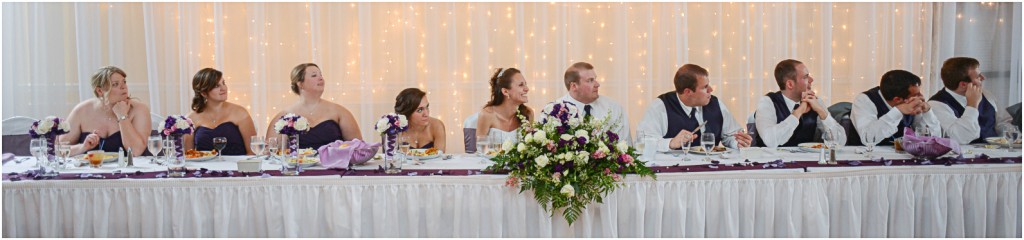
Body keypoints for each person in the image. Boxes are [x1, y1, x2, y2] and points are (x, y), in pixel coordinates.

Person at [637, 64, 753, 150]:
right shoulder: (660, 106)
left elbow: (730, 136)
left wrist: (738, 142)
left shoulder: (716, 104)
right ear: (688, 92)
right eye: (705, 87)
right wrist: (670, 143)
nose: (711, 90)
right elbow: (643, 142)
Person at [266, 63, 362, 149]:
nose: (320, 78)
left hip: (334, 167)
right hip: (298, 167)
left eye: (321, 75)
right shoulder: (284, 116)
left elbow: (358, 146)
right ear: (300, 84)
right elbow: (272, 151)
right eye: (314, 75)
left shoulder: (339, 111)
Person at [61, 66, 151, 156]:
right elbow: (59, 150)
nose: (123, 87)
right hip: (92, 168)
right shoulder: (82, 110)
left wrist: (122, 116)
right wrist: (83, 147)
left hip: (129, 169)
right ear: (100, 91)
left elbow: (136, 151)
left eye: (124, 82)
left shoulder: (139, 109)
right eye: (115, 84)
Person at [754, 59, 846, 147]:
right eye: (805, 77)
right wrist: (799, 111)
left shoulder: (815, 102)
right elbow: (771, 141)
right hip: (771, 160)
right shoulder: (767, 102)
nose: (811, 79)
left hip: (807, 161)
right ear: (790, 84)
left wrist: (822, 112)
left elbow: (840, 142)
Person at [928, 57, 1015, 144]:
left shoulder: (986, 94)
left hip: (998, 152)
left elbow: (1003, 123)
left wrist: (1012, 138)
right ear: (963, 84)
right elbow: (961, 138)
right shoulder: (936, 104)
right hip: (965, 155)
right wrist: (972, 105)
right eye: (978, 77)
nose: (983, 78)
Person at [851, 70, 941, 146]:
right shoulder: (865, 100)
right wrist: (898, 111)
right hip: (866, 158)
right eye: (916, 95)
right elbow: (869, 139)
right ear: (897, 99)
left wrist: (928, 113)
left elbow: (933, 141)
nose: (921, 97)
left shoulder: (916, 104)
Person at [183, 68, 257, 155]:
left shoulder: (240, 112)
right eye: (216, 86)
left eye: (223, 83)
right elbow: (189, 155)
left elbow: (252, 152)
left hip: (237, 167)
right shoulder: (190, 119)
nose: (224, 88)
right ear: (203, 93)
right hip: (204, 167)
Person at [554, 62, 631, 143]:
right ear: (574, 86)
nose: (597, 84)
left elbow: (626, 147)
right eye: (590, 80)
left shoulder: (613, 108)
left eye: (595, 79)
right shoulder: (554, 112)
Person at [476, 67, 533, 143]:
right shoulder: (487, 115)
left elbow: (530, 147)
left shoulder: (528, 113)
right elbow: (480, 149)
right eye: (521, 85)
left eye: (525, 84)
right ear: (505, 91)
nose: (527, 89)